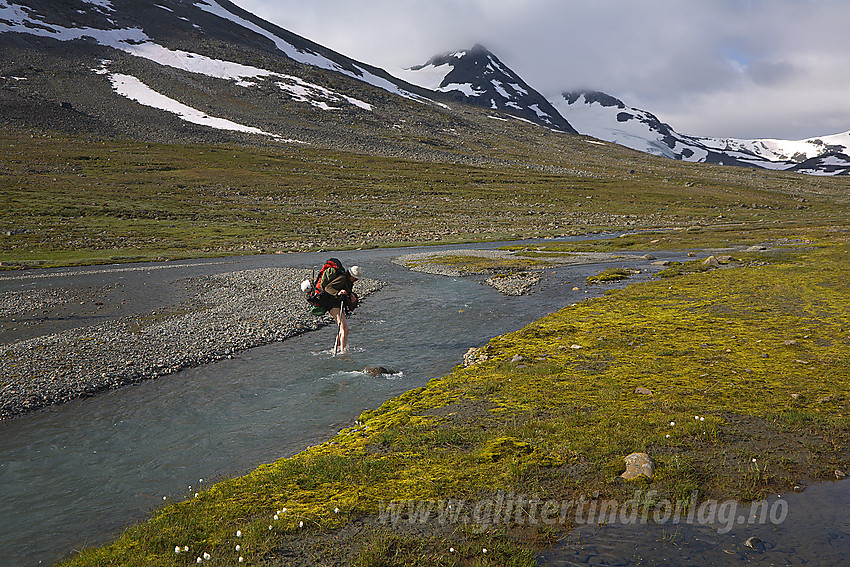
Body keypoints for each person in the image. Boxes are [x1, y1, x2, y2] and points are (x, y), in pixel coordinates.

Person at [316, 263, 361, 354]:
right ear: (351, 275)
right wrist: (338, 293)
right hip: (332, 305)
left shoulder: (348, 282)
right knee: (345, 329)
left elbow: (345, 292)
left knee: (342, 329)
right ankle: (343, 352)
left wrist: (351, 296)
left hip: (336, 305)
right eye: (355, 278)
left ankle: (335, 348)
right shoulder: (343, 278)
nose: (356, 280)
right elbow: (328, 288)